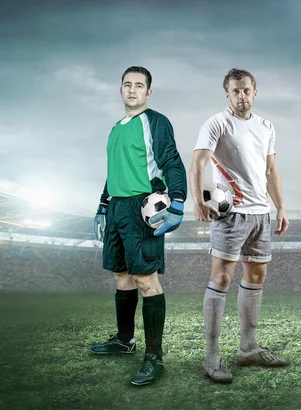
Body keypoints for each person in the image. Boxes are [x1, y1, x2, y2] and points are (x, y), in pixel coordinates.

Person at [190, 68, 289, 383]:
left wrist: (281, 206)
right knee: (221, 277)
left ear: (255, 91)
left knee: (256, 276)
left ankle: (248, 348)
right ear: (227, 94)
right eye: (235, 91)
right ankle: (212, 355)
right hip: (230, 213)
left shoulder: (266, 126)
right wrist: (197, 201)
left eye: (246, 90)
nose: (242, 96)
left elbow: (271, 170)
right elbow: (198, 162)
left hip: (261, 213)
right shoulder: (217, 123)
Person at [91, 66, 187, 386]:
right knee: (121, 275)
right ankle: (124, 339)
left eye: (139, 85)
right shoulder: (116, 128)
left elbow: (171, 160)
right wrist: (103, 205)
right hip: (117, 207)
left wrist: (178, 200)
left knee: (146, 279)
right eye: (127, 85)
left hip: (142, 207)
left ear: (148, 92)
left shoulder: (155, 122)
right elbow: (114, 169)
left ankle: (154, 356)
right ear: (121, 90)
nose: (132, 90)